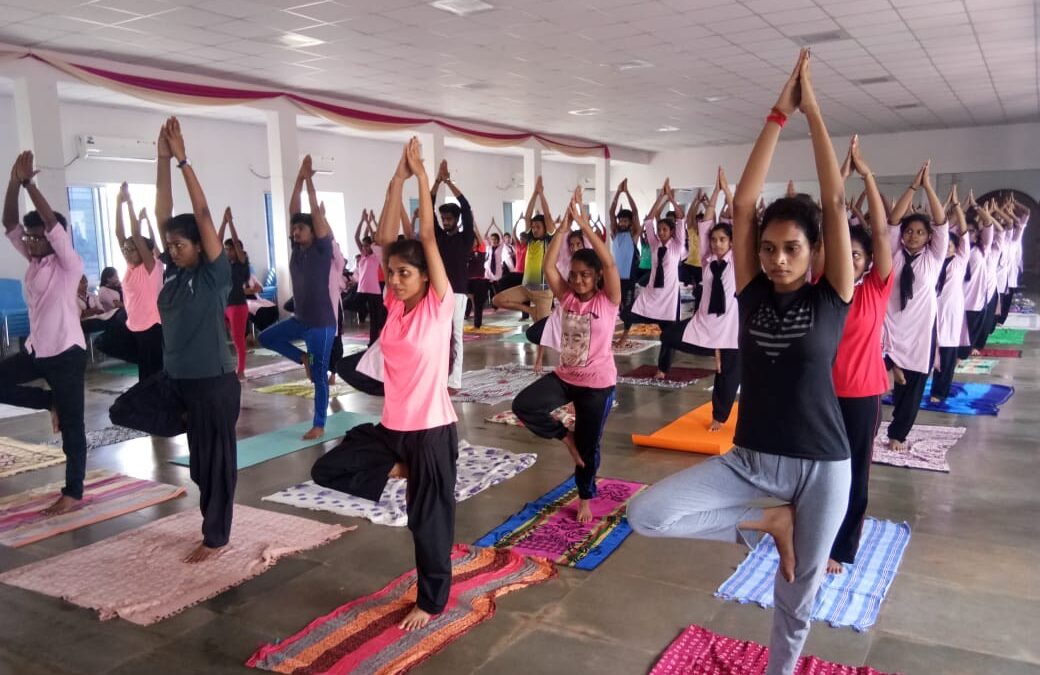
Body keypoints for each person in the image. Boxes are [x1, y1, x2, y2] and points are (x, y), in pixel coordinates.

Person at [628, 50, 857, 675]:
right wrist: (776, 114)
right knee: (646, 514)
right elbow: (744, 205)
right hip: (752, 460)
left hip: (822, 467)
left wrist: (813, 115)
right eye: (769, 249)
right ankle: (769, 523)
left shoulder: (832, 297)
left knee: (797, 595)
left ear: (812, 255)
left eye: (792, 250)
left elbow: (835, 205)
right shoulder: (752, 292)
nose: (778, 259)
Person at [311, 137, 457, 631]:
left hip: (432, 430)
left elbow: (429, 242)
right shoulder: (394, 308)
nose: (393, 280)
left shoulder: (438, 308)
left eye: (404, 274)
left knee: (428, 524)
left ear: (424, 278)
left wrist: (420, 178)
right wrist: (395, 179)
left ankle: (432, 602)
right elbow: (385, 238)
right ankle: (397, 468)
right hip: (394, 428)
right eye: (391, 273)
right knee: (328, 468)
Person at [154, 117, 241, 563]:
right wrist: (160, 159)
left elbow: (202, 215)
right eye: (169, 245)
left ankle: (217, 536)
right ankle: (212, 520)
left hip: (214, 381)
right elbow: (163, 213)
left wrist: (184, 161)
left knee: (218, 462)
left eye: (180, 245)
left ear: (199, 247)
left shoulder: (212, 276)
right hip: (183, 381)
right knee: (202, 464)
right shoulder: (172, 275)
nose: (172, 250)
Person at [512, 187, 621, 523]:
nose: (577, 280)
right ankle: (565, 437)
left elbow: (609, 261)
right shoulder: (568, 296)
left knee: (589, 450)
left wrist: (585, 225)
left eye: (585, 275)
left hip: (597, 385)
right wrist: (562, 227)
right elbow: (548, 266)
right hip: (565, 378)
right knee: (524, 406)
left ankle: (585, 497)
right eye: (573, 274)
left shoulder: (608, 300)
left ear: (597, 277)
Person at [0, 151, 88, 515]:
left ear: (55, 239)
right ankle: (47, 401)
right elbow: (8, 224)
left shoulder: (68, 264)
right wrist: (12, 180)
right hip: (38, 350)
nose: (32, 242)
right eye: (31, 238)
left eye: (38, 237)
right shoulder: (35, 263)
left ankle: (74, 492)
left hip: (66, 355)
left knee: (73, 427)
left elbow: (51, 223)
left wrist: (30, 185)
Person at [826, 135, 894, 576]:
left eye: (856, 255)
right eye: (842, 254)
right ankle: (813, 528)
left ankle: (842, 547)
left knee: (855, 474)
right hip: (821, 395)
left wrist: (866, 175)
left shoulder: (876, 289)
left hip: (862, 395)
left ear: (868, 262)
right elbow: (823, 222)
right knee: (819, 470)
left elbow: (884, 232)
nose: (848, 261)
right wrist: (840, 179)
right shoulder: (824, 288)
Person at [258, 156, 337, 441]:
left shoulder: (322, 249)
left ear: (314, 231)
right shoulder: (297, 250)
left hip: (321, 325)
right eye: (294, 229)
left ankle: (319, 423)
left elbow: (313, 213)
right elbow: (293, 209)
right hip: (300, 320)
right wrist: (299, 179)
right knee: (266, 338)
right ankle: (302, 356)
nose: (295, 232)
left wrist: (311, 183)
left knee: (319, 375)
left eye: (300, 229)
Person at [654, 166, 740, 430]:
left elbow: (741, 219)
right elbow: (704, 225)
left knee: (727, 375)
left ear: (731, 243)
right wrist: (714, 193)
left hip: (729, 328)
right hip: (703, 324)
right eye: (714, 240)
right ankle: (711, 349)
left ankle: (719, 416)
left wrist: (727, 190)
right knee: (667, 336)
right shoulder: (706, 260)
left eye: (722, 240)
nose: (716, 244)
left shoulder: (738, 261)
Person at [882, 160, 949, 451]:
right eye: (910, 231)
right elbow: (893, 221)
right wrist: (912, 186)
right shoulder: (895, 252)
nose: (912, 235)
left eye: (920, 232)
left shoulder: (934, 257)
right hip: (890, 325)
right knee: (881, 374)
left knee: (914, 384)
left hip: (921, 328)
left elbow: (941, 220)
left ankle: (898, 432)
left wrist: (929, 188)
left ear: (928, 237)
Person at [617, 178, 685, 343]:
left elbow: (681, 218)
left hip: (669, 296)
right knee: (626, 313)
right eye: (659, 229)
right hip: (652, 294)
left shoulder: (676, 246)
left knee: (667, 336)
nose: (660, 232)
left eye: (664, 230)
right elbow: (648, 220)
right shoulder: (654, 245)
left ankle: (662, 368)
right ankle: (633, 329)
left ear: (671, 232)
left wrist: (671, 199)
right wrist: (661, 197)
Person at [430, 160, 475, 391]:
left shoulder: (465, 238)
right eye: (443, 219)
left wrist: (449, 182)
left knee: (456, 337)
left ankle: (454, 381)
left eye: (449, 219)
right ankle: (437, 375)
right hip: (437, 292)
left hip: (457, 293)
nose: (445, 222)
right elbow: (428, 205)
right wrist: (436, 183)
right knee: (437, 337)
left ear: (456, 221)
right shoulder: (438, 237)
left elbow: (466, 208)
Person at [114, 185, 164, 380]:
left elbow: (135, 235)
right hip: (134, 328)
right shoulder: (130, 268)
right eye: (125, 249)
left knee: (153, 374)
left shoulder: (152, 267)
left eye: (132, 249)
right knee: (144, 374)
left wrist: (130, 203)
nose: (127, 252)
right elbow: (120, 234)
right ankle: (148, 405)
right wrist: (119, 203)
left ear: (144, 250)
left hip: (152, 328)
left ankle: (162, 407)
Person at [492, 177, 555, 323]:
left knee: (541, 330)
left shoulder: (548, 240)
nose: (534, 229)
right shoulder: (530, 240)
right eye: (533, 227)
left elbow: (548, 216)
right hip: (526, 288)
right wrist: (534, 193)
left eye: (538, 227)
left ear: (545, 228)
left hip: (543, 292)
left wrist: (542, 194)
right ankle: (529, 310)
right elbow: (527, 216)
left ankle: (540, 334)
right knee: (497, 300)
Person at [931, 187, 970, 403]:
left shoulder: (961, 260)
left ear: (955, 248)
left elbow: (963, 235)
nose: (946, 248)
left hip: (952, 313)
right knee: (929, 349)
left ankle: (940, 391)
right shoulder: (934, 261)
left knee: (946, 353)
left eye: (950, 245)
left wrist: (956, 207)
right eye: (944, 245)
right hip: (932, 312)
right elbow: (935, 226)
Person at [218, 207, 250, 379]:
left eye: (230, 249)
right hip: (223, 305)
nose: (227, 251)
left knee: (238, 339)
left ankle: (241, 370)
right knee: (217, 335)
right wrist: (222, 222)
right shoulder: (224, 264)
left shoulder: (241, 264)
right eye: (226, 249)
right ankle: (221, 366)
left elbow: (236, 243)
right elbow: (215, 243)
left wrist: (230, 222)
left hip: (237, 305)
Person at [608, 178, 641, 343]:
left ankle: (625, 335)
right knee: (614, 305)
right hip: (614, 277)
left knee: (627, 307)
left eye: (625, 221)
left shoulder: (633, 235)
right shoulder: (615, 234)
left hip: (629, 278)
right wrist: (617, 194)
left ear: (630, 223)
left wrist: (626, 193)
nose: (621, 222)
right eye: (620, 220)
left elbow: (635, 213)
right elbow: (610, 213)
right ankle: (610, 332)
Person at [354, 209, 384, 345]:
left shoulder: (376, 256)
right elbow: (356, 237)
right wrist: (362, 221)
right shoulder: (363, 256)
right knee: (371, 316)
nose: (364, 248)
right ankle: (373, 341)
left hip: (375, 291)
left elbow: (376, 239)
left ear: (371, 246)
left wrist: (369, 222)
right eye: (364, 246)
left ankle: (375, 341)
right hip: (363, 290)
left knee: (377, 319)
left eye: (367, 246)